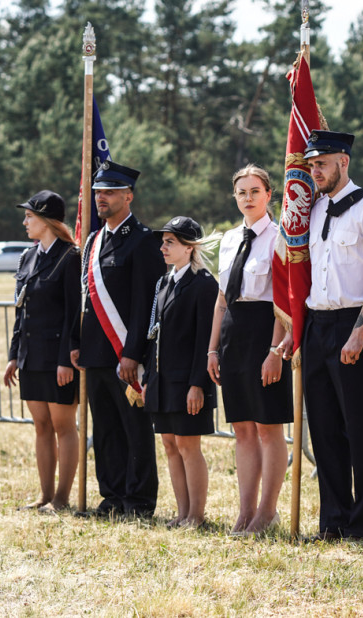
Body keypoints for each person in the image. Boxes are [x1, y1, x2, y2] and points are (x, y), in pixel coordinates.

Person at [295, 129, 363, 541]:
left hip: (352, 325)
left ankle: (361, 525)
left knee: (359, 428)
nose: (315, 172)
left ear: (344, 162)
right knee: (323, 429)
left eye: (321, 164)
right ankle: (333, 520)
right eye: (311, 165)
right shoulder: (316, 209)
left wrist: (359, 331)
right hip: (317, 325)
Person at [70, 161, 165, 518]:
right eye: (98, 192)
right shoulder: (94, 241)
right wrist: (77, 342)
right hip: (95, 354)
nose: (101, 198)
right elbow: (86, 300)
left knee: (134, 430)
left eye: (109, 192)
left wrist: (133, 353)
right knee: (106, 430)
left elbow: (146, 305)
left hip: (126, 355)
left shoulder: (143, 241)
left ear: (129, 196)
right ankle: (111, 497)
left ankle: (138, 501)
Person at [207, 165, 292, 536]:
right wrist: (212, 350)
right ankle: (245, 511)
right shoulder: (228, 239)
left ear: (268, 194)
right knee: (242, 428)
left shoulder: (281, 237)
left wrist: (275, 350)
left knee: (268, 428)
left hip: (264, 333)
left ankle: (267, 512)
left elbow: (283, 299)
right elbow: (222, 300)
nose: (247, 198)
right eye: (241, 192)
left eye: (254, 191)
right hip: (232, 336)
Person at [3, 190, 81, 514]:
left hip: (57, 359)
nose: (25, 222)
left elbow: (73, 313)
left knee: (64, 426)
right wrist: (13, 355)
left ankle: (62, 498)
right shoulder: (27, 257)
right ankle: (45, 495)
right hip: (31, 356)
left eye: (30, 216)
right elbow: (22, 311)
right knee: (41, 427)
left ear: (47, 220)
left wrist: (66, 360)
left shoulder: (70, 256)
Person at [141, 216, 219, 528]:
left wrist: (197, 385)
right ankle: (182, 512)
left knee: (188, 445)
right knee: (171, 445)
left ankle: (196, 516)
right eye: (163, 241)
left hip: (187, 381)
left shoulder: (203, 285)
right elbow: (154, 334)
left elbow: (204, 339)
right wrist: (148, 378)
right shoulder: (164, 283)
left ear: (189, 248)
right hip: (162, 380)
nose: (163, 247)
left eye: (170, 242)